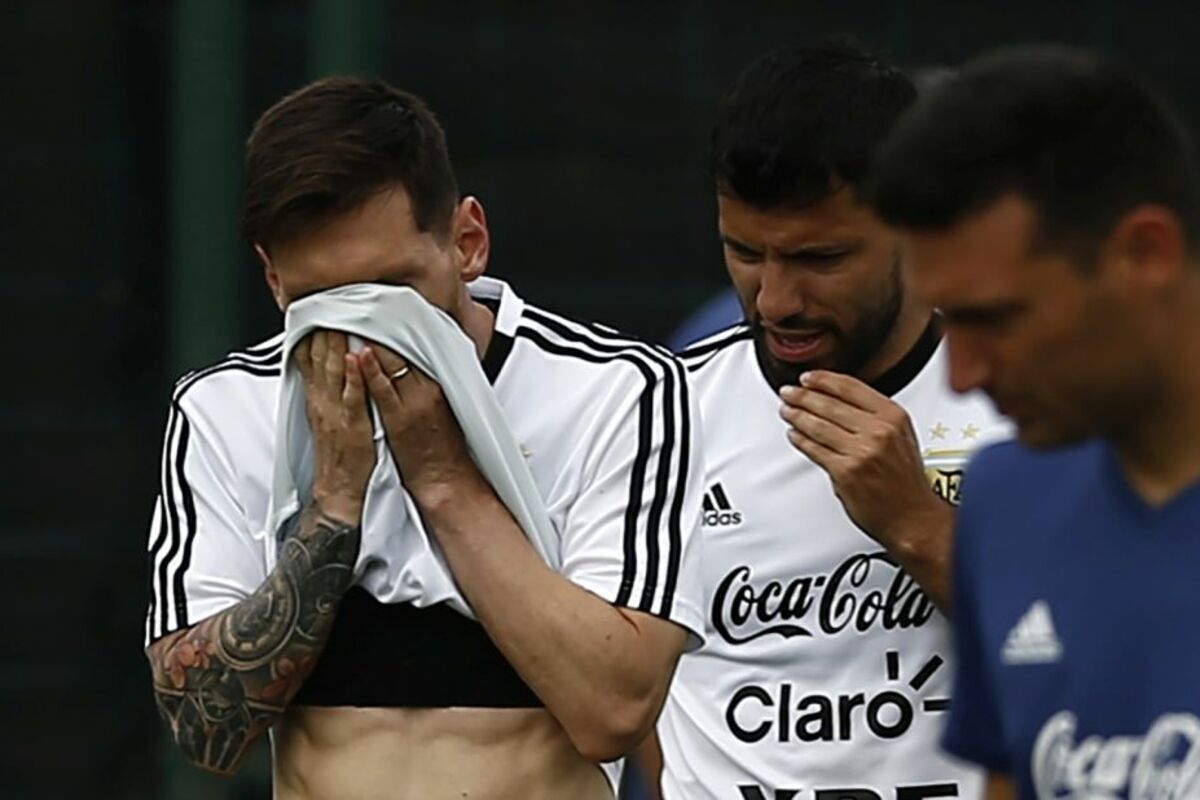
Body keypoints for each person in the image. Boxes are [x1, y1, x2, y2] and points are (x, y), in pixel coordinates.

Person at [143, 76, 705, 800]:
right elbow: (204, 732)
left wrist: (443, 479)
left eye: (392, 290)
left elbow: (614, 712)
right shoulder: (225, 408)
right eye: (324, 303)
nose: (365, 334)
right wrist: (332, 507)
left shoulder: (613, 392)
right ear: (275, 281)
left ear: (467, 244)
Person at [651, 40, 1008, 800]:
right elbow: (626, 696)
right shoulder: (661, 412)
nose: (776, 300)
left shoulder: (1031, 405)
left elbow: (1089, 650)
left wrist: (914, 522)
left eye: (821, 259)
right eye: (745, 252)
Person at [868, 45, 1200, 800]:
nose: (962, 375)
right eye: (947, 320)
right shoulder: (1007, 498)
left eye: (995, 318)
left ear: (1145, 255)